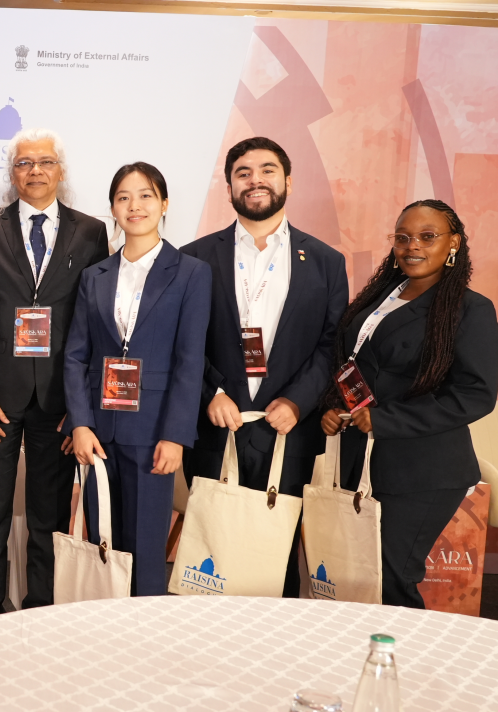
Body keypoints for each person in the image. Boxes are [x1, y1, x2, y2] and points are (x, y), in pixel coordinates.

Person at [179, 137, 347, 598]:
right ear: (229, 187)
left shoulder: (326, 262)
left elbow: (332, 344)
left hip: (288, 431)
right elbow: (183, 341)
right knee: (209, 558)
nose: (256, 180)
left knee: (277, 555)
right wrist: (211, 392)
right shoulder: (193, 258)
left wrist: (297, 402)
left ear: (288, 181)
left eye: (267, 170)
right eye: (243, 172)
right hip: (216, 428)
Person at [0, 128, 108, 616]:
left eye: (45, 162)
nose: (35, 171)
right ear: (12, 173)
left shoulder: (91, 232)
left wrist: (82, 408)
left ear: (60, 170)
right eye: (24, 163)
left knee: (49, 516)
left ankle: (41, 610)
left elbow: (96, 325)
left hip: (59, 401)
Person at [321, 199, 498, 608]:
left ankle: (403, 652)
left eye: (427, 236)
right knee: (359, 576)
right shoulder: (382, 296)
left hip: (422, 471)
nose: (412, 245)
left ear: (453, 243)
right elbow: (355, 364)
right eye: (402, 237)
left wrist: (385, 421)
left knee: (391, 578)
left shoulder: (470, 309)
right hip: (364, 460)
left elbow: (475, 394)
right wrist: (334, 407)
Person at [62, 163, 210, 596]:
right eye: (123, 197)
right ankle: (104, 627)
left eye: (146, 195)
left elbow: (190, 362)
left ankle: (147, 633)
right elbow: (75, 356)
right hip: (98, 432)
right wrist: (80, 424)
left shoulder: (191, 272)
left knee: (145, 551)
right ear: (112, 208)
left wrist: (176, 436)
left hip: (153, 433)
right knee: (103, 544)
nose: (135, 205)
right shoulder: (94, 275)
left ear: (164, 204)